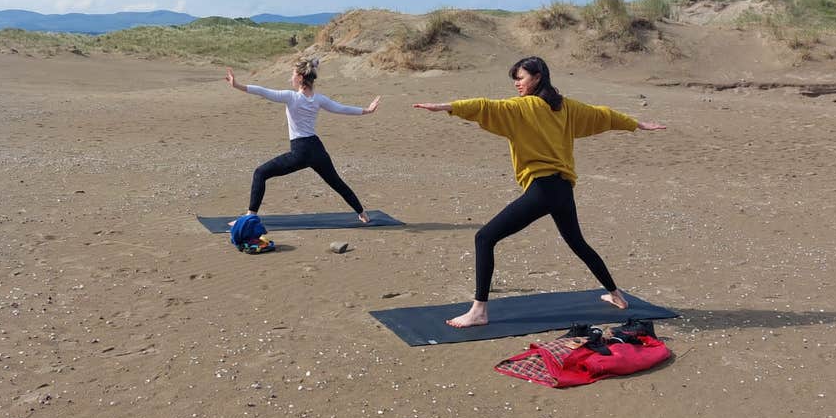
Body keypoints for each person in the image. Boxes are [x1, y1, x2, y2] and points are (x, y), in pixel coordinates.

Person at [413, 56, 666, 328]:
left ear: (536, 77)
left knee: (484, 238)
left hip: (543, 190)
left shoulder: (524, 107)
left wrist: (446, 107)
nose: (516, 84)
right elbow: (602, 115)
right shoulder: (564, 107)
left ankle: (479, 311)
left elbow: (486, 107)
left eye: (520, 78)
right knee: (577, 243)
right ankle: (616, 295)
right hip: (563, 190)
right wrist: (635, 124)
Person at [226, 58, 381, 223]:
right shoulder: (319, 99)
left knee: (260, 173)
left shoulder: (291, 97)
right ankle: (362, 213)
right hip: (317, 149)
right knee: (337, 183)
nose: (291, 78)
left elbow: (263, 91)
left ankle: (250, 217)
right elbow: (341, 108)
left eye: (293, 75)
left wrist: (237, 85)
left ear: (300, 78)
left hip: (300, 151)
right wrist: (367, 110)